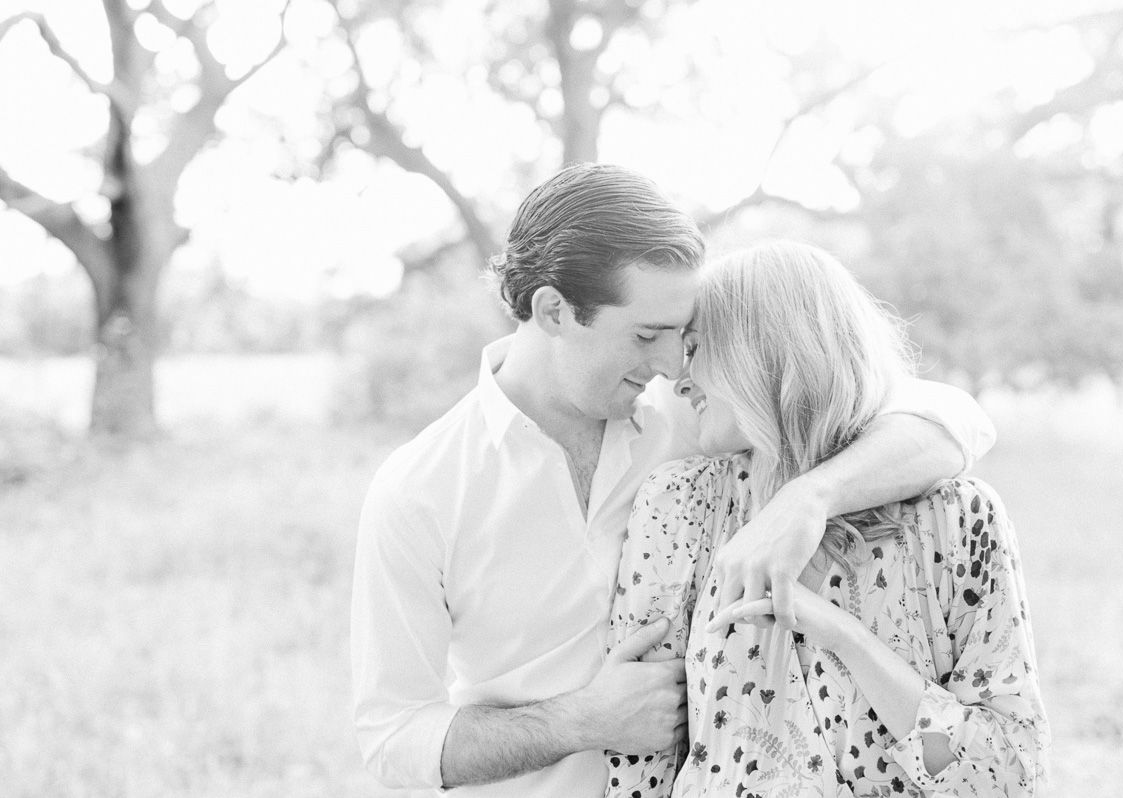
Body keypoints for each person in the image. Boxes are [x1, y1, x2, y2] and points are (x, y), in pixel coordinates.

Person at [351, 165, 998, 797]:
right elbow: (392, 737)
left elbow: (952, 421)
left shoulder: (688, 422)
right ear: (553, 311)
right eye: (647, 335)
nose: (669, 364)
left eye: (681, 336)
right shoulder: (422, 491)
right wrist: (583, 720)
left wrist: (810, 497)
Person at [605, 241, 1048, 797]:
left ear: (763, 350)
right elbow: (641, 760)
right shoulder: (678, 507)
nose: (677, 377)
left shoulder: (957, 518)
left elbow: (1006, 776)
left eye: (696, 349)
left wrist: (845, 637)